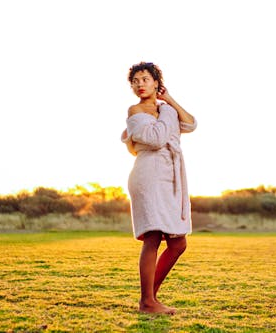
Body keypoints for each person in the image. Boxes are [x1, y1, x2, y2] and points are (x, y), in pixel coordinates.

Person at [121, 62, 197, 314]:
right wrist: (166, 113)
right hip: (148, 175)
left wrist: (170, 101)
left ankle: (149, 298)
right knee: (152, 237)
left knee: (178, 244)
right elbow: (155, 139)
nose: (140, 84)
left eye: (145, 79)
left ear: (156, 83)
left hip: (170, 177)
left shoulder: (166, 109)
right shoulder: (135, 111)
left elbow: (191, 124)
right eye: (136, 81)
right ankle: (147, 301)